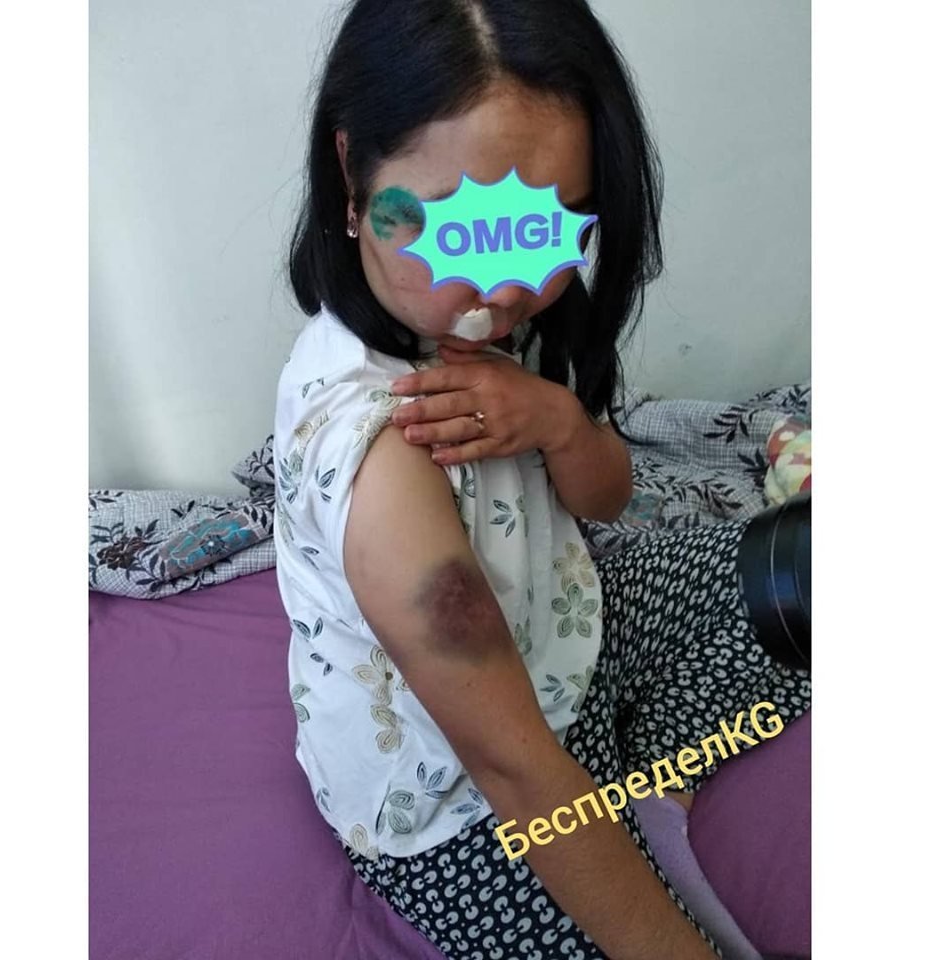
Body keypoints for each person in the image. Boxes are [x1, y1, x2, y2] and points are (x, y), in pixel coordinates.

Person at [272, 2, 811, 958]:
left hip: (567, 629)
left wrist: (558, 419)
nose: (505, 287)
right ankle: (637, 787)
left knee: (811, 571)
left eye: (544, 228)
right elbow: (514, 769)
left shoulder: (521, 322)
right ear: (352, 174)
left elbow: (607, 498)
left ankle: (647, 767)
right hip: (464, 796)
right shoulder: (382, 459)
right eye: (460, 230)